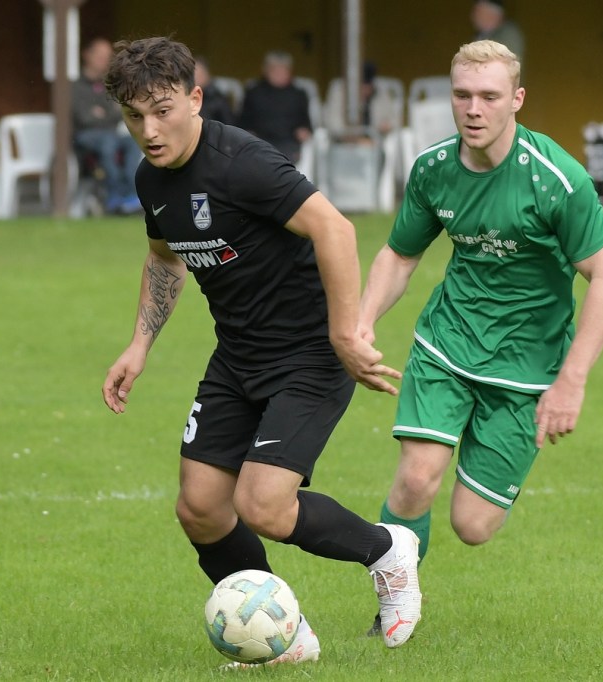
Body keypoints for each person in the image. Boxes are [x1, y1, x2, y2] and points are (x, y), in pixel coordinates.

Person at [100, 36, 422, 664]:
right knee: (200, 508)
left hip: (308, 354)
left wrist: (344, 333)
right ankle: (283, 637)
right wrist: (139, 345)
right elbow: (164, 258)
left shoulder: (241, 162)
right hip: (238, 356)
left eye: (163, 111)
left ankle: (387, 551)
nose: (150, 130)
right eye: (135, 116)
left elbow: (335, 228)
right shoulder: (149, 177)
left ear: (195, 98)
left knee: (264, 505)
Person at [359, 40, 603, 634]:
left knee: (473, 525)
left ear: (517, 99)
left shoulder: (557, 180)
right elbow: (400, 256)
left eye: (489, 96)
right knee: (416, 478)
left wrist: (572, 381)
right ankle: (392, 604)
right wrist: (362, 322)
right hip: (448, 342)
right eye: (462, 95)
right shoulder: (433, 169)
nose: (474, 109)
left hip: (528, 367)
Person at [72, 37, 143, 215]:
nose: (104, 60)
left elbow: (120, 113)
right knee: (108, 142)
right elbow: (84, 119)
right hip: (84, 137)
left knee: (133, 141)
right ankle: (113, 196)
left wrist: (102, 114)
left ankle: (131, 195)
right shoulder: (75, 86)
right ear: (87, 55)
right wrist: (108, 114)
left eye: (107, 56)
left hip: (111, 134)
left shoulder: (109, 85)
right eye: (100, 55)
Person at [237, 50, 312, 163]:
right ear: (266, 70)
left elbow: (305, 123)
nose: (279, 74)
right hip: (259, 141)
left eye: (283, 70)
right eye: (275, 70)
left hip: (288, 142)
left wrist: (304, 131)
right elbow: (243, 121)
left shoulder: (298, 94)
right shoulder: (254, 92)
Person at [194, 56, 235, 125]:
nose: (195, 79)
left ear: (207, 75)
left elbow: (229, 124)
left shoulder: (218, 99)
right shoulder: (188, 97)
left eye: (199, 75)